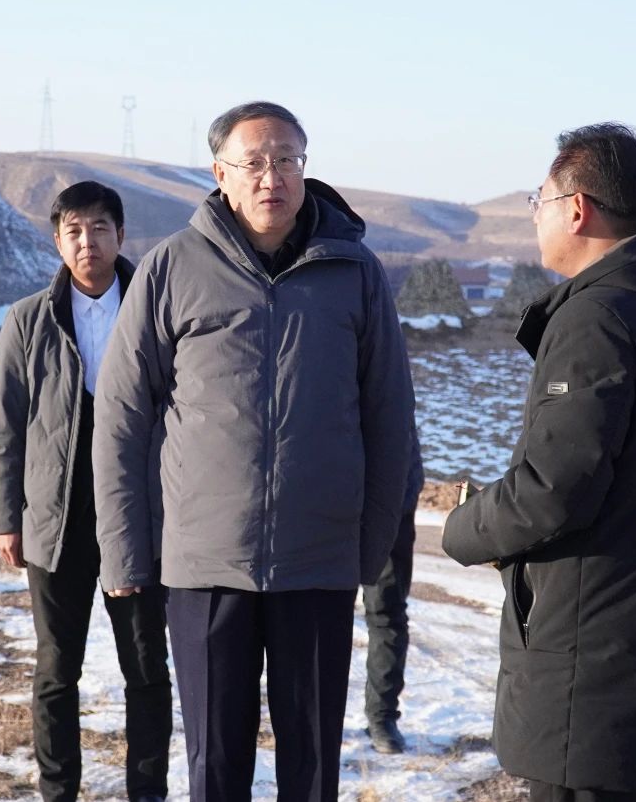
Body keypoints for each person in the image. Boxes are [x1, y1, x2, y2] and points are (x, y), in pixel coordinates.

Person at [93, 101, 415, 802]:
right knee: (216, 764)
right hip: (205, 563)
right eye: (255, 162)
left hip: (318, 560)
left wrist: (370, 548)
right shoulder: (172, 267)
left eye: (288, 160)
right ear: (220, 173)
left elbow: (391, 417)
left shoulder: (354, 270)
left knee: (313, 766)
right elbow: (121, 417)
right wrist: (124, 551)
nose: (274, 177)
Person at [442, 123, 636, 802]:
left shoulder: (599, 316)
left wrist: (462, 527)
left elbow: (554, 489)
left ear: (576, 208)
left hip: (594, 672)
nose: (536, 217)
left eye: (540, 200)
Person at [0, 180, 172, 802]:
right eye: (74, 231)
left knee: (146, 667)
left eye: (99, 228)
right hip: (55, 522)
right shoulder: (28, 319)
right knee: (56, 670)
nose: (87, 241)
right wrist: (5, 517)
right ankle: (57, 791)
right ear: (58, 241)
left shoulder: (156, 309)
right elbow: (7, 426)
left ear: (121, 235)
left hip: (138, 520)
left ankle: (147, 791)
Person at [362, 428, 423, 754]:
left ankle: (382, 717)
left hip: (391, 500)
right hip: (327, 502)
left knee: (386, 610)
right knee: (318, 611)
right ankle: (312, 717)